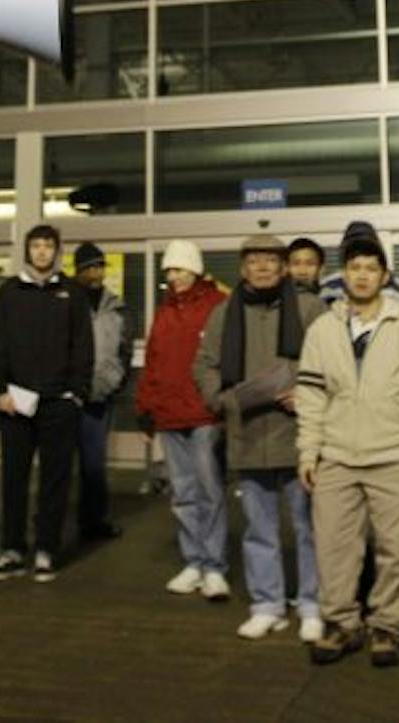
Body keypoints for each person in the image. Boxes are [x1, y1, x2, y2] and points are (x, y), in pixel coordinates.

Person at [297, 221, 399, 667]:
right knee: (334, 548)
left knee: (396, 549)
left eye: (370, 268)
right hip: (336, 456)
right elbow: (311, 395)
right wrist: (308, 451)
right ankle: (342, 623)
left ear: (384, 275)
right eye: (354, 267)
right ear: (344, 275)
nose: (362, 275)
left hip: (395, 454)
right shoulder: (322, 329)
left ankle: (387, 627)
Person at [194, 230, 326, 641]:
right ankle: (267, 604)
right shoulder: (223, 312)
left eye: (272, 260)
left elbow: (332, 360)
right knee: (258, 528)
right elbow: (205, 363)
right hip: (247, 433)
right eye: (255, 261)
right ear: (242, 268)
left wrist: (307, 390)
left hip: (299, 435)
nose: (264, 267)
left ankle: (311, 603)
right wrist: (221, 399)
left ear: (285, 266)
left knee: (308, 526)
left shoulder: (310, 307)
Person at [0, 223, 92, 583]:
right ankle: (13, 550)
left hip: (59, 403)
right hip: (15, 402)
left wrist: (76, 393)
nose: (42, 252)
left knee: (54, 481)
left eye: (48, 246)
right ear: (27, 251)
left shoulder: (73, 293)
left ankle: (46, 550)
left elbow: (83, 347)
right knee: (14, 479)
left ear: (57, 252)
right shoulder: (11, 292)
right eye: (36, 246)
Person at [137, 238, 230, 600]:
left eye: (176, 269)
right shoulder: (164, 312)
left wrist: (223, 403)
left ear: (193, 269)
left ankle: (215, 566)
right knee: (183, 493)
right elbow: (153, 364)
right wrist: (146, 409)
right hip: (171, 415)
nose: (171, 277)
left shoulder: (218, 306)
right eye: (168, 271)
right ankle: (194, 561)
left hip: (205, 413)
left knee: (209, 492)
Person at [74, 241, 128, 543]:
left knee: (94, 463)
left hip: (100, 395)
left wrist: (117, 379)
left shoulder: (115, 305)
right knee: (58, 464)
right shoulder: (67, 300)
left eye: (99, 267)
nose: (95, 273)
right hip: (69, 395)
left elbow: (123, 345)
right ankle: (49, 524)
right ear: (78, 271)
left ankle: (93, 521)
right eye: (89, 268)